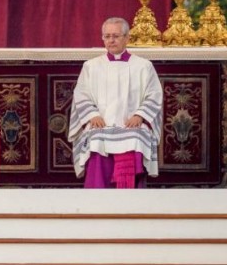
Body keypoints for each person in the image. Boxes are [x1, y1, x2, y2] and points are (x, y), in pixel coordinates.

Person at [68, 17, 163, 188]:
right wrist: (92, 115)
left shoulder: (143, 66)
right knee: (95, 141)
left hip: (131, 124)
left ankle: (130, 195)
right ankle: (97, 195)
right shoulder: (91, 66)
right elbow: (81, 94)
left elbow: (154, 94)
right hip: (101, 123)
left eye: (116, 36)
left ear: (127, 38)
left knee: (136, 139)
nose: (111, 40)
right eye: (107, 36)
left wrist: (140, 115)